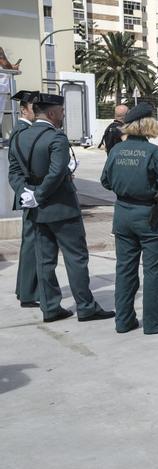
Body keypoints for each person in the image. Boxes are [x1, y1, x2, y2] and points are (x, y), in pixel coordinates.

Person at [13, 93, 115, 323]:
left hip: (36, 210)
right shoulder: (56, 137)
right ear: (51, 113)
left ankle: (50, 308)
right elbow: (57, 172)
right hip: (62, 208)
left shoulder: (20, 136)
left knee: (44, 261)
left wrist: (26, 193)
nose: (63, 115)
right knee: (76, 258)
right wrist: (39, 194)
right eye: (61, 111)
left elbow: (14, 172)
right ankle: (86, 307)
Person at [100, 103, 158, 334]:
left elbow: (105, 181)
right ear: (148, 124)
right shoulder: (154, 153)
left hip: (122, 215)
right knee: (153, 271)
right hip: (149, 217)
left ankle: (123, 320)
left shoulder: (116, 150)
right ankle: (154, 322)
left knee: (124, 270)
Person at [7, 90, 39, 307]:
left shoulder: (23, 129)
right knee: (31, 244)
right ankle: (28, 293)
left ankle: (24, 289)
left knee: (30, 243)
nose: (37, 111)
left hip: (29, 193)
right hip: (30, 194)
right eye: (34, 108)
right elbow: (18, 168)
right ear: (24, 110)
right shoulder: (23, 131)